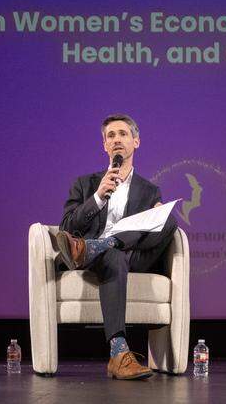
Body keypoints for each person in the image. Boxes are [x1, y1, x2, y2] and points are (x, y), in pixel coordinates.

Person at [51, 114, 178, 380]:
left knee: (168, 220)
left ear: (136, 141)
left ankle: (100, 245)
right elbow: (66, 226)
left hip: (131, 256)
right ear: (104, 146)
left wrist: (156, 217)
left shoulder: (149, 191)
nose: (117, 139)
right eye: (111, 136)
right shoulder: (86, 184)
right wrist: (97, 197)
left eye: (122, 134)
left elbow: (156, 235)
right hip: (93, 259)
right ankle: (119, 354)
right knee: (113, 257)